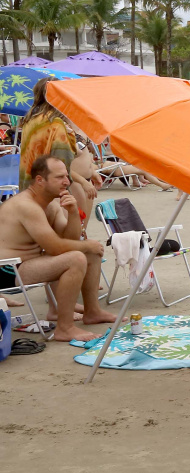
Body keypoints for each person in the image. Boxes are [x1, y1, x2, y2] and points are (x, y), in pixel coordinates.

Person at [0, 155, 120, 342]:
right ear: (40, 180)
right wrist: (86, 244)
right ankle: (65, 328)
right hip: (7, 269)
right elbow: (55, 247)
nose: (66, 182)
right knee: (76, 258)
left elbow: (69, 239)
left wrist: (73, 213)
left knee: (89, 252)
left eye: (66, 176)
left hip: (28, 263)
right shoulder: (27, 206)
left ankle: (92, 311)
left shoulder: (51, 204)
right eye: (59, 177)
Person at [18, 78, 95, 228]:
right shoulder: (56, 125)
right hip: (52, 193)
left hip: (31, 189)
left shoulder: (31, 121)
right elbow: (62, 164)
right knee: (64, 239)